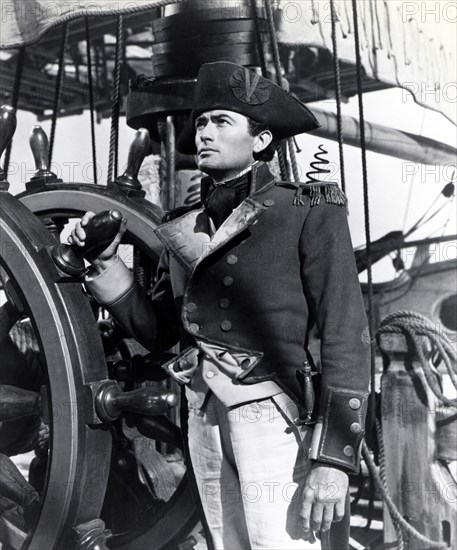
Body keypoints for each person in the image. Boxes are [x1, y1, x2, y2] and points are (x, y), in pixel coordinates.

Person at [71, 62, 370, 550]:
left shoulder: (310, 208)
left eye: (221, 122)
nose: (204, 132)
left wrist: (333, 460)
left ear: (261, 140)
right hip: (202, 416)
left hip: (275, 418)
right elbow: (162, 331)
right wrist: (104, 264)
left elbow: (346, 333)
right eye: (202, 122)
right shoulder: (181, 226)